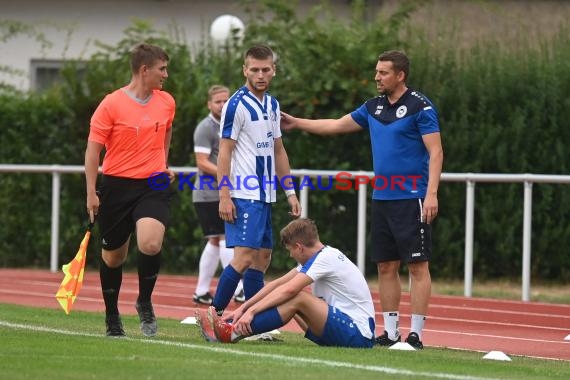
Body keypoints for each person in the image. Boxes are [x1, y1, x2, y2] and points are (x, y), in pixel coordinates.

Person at [280, 50, 443, 349]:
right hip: (382, 197)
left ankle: (416, 334)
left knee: (417, 266)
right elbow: (336, 125)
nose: (376, 77)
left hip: (412, 198)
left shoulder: (421, 107)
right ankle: (391, 332)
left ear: (400, 75)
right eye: (377, 72)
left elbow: (436, 152)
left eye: (383, 73)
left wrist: (431, 193)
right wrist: (297, 123)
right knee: (385, 266)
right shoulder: (373, 108)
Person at [84, 43, 176, 337]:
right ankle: (112, 317)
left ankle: (145, 302)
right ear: (144, 70)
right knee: (114, 257)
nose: (166, 74)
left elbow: (167, 130)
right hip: (116, 184)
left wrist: (163, 162)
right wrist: (91, 192)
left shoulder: (166, 101)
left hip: (154, 183)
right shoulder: (111, 104)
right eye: (162, 69)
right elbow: (92, 151)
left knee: (150, 243)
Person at [212, 44, 301, 318]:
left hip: (266, 193)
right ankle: (213, 315)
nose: (260, 74)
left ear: (273, 70)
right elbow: (224, 152)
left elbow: (278, 149)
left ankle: (252, 321)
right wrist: (224, 196)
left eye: (265, 69)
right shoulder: (235, 105)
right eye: (254, 69)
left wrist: (290, 191)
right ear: (245, 70)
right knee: (244, 258)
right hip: (244, 191)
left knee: (262, 259)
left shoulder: (272, 105)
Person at [196, 218, 376, 348]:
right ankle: (232, 327)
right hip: (343, 329)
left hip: (358, 334)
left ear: (299, 247)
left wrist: (251, 312)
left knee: (297, 297)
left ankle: (233, 333)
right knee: (285, 294)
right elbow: (278, 285)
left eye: (291, 250)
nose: (291, 255)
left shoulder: (325, 258)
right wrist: (242, 309)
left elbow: (290, 290)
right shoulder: (320, 256)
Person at [192, 85, 244, 305]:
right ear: (209, 104)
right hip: (209, 193)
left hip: (223, 190)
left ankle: (202, 291)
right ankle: (239, 289)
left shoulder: (232, 123)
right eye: (218, 102)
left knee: (215, 240)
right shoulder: (205, 127)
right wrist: (232, 174)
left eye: (226, 101)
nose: (223, 105)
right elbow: (202, 162)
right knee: (224, 238)